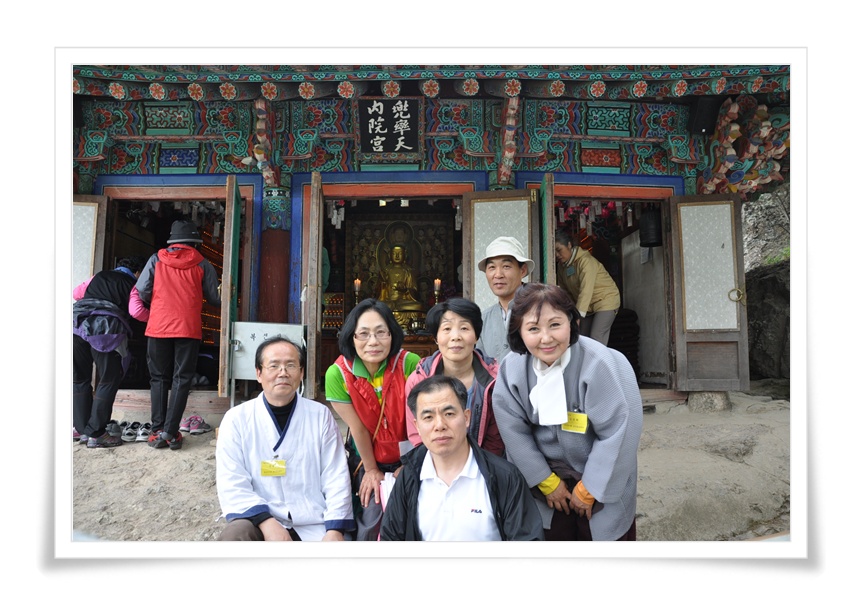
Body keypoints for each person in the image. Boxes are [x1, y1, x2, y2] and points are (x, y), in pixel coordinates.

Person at [492, 283, 642, 541]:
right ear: (518, 331)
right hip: (545, 480)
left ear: (573, 323)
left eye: (555, 324)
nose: (546, 338)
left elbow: (619, 429)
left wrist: (590, 487)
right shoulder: (512, 368)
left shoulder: (599, 363)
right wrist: (545, 481)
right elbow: (513, 430)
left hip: (600, 473)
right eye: (533, 329)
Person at [216, 336, 354, 541]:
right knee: (235, 535)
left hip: (313, 522)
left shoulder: (320, 415)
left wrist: (335, 529)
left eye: (290, 365)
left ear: (301, 372)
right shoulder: (236, 419)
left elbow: (336, 476)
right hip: (259, 520)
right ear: (259, 373)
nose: (283, 372)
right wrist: (266, 522)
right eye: (274, 366)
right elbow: (232, 481)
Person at [380, 375, 543, 541]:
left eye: (449, 413)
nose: (439, 425)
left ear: (466, 418)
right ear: (417, 427)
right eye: (428, 417)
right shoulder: (409, 477)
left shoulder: (504, 477)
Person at [324, 298, 421, 540]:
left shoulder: (409, 363)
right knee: (371, 516)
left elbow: (421, 420)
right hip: (369, 458)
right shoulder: (338, 374)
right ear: (351, 337)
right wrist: (371, 470)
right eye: (364, 334)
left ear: (392, 334)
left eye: (381, 332)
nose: (373, 342)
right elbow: (358, 428)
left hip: (412, 457)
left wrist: (411, 464)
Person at [135, 219, 221, 451]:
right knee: (181, 378)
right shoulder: (203, 263)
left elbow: (142, 289)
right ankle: (171, 432)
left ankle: (157, 430)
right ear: (194, 241)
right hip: (188, 328)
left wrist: (159, 301)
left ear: (172, 241)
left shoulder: (156, 259)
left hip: (158, 326)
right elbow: (215, 298)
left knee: (158, 378)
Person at [404, 297, 504, 456]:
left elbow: (495, 440)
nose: (455, 336)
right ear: (436, 338)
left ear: (476, 336)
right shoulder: (419, 380)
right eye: (447, 329)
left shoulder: (495, 381)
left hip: (483, 462)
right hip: (434, 461)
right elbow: (417, 435)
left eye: (464, 328)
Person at [73, 256, 147, 448]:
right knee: (108, 379)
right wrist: (155, 317)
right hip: (106, 330)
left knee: (79, 379)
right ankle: (97, 433)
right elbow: (136, 311)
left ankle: (83, 430)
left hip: (76, 325)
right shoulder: (133, 284)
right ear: (138, 272)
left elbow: (76, 293)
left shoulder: (98, 276)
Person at [553, 229, 621, 346]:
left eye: (559, 250)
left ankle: (600, 359)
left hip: (606, 300)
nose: (557, 255)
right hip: (587, 307)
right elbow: (565, 293)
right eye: (554, 252)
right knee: (582, 338)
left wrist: (577, 316)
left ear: (569, 245)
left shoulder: (586, 261)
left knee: (596, 337)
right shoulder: (561, 267)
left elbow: (586, 290)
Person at [475, 236, 534, 362]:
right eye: (492, 267)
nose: (498, 275)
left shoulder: (539, 309)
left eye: (506, 266)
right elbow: (482, 365)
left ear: (522, 270)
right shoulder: (483, 319)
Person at [377, 244, 424, 312]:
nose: (397, 256)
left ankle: (395, 307)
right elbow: (378, 293)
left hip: (403, 301)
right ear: (389, 255)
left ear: (405, 255)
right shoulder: (385, 271)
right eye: (394, 253)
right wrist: (383, 282)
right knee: (379, 306)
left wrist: (405, 290)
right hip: (388, 301)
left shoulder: (408, 271)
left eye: (400, 253)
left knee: (418, 306)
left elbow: (415, 291)